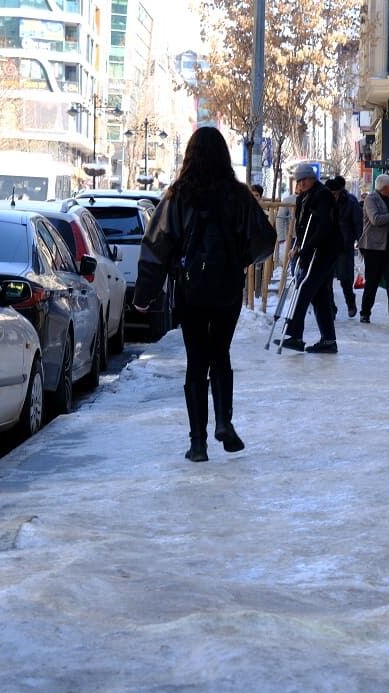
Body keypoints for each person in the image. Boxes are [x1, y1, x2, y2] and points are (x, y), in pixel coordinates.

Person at [131, 126, 277, 462]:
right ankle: (224, 420)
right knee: (220, 354)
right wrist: (240, 259)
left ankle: (198, 444)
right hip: (227, 288)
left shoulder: (177, 196)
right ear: (224, 156)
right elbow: (265, 240)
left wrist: (144, 294)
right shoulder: (238, 196)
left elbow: (156, 246)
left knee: (196, 361)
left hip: (191, 289)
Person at [280, 163, 342, 353]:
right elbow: (301, 226)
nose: (301, 183)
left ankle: (295, 335)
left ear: (312, 178)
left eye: (304, 179)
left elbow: (324, 226)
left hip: (323, 252)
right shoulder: (302, 197)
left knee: (304, 289)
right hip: (311, 250)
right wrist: (298, 247)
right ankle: (329, 340)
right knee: (319, 296)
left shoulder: (322, 195)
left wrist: (306, 249)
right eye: (299, 180)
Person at [358, 174, 389, 327]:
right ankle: (365, 312)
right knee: (372, 282)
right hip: (374, 248)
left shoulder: (387, 199)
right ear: (385, 187)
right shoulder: (371, 199)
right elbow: (375, 219)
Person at [325, 175, 362, 318]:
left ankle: (350, 301)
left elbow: (358, 223)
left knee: (345, 278)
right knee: (326, 280)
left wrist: (360, 241)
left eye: (335, 193)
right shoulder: (323, 201)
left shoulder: (350, 201)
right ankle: (330, 308)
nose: (333, 196)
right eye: (331, 193)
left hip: (343, 245)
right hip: (326, 246)